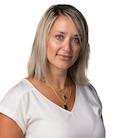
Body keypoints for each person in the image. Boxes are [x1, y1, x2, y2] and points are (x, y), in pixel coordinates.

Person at [0, 4, 105, 138]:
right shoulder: (19, 99)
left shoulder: (90, 93)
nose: (67, 47)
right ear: (43, 39)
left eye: (76, 40)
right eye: (59, 37)